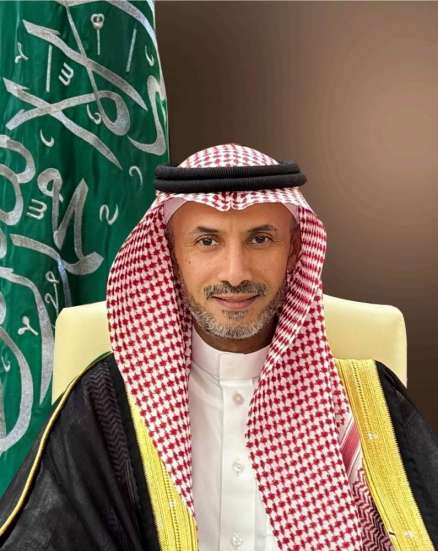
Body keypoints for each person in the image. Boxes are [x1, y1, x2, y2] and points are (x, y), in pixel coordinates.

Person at [0, 144, 437, 551]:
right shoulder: (108, 402)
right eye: (207, 241)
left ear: (294, 251)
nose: (234, 273)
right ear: (170, 253)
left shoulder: (366, 401)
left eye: (260, 239)